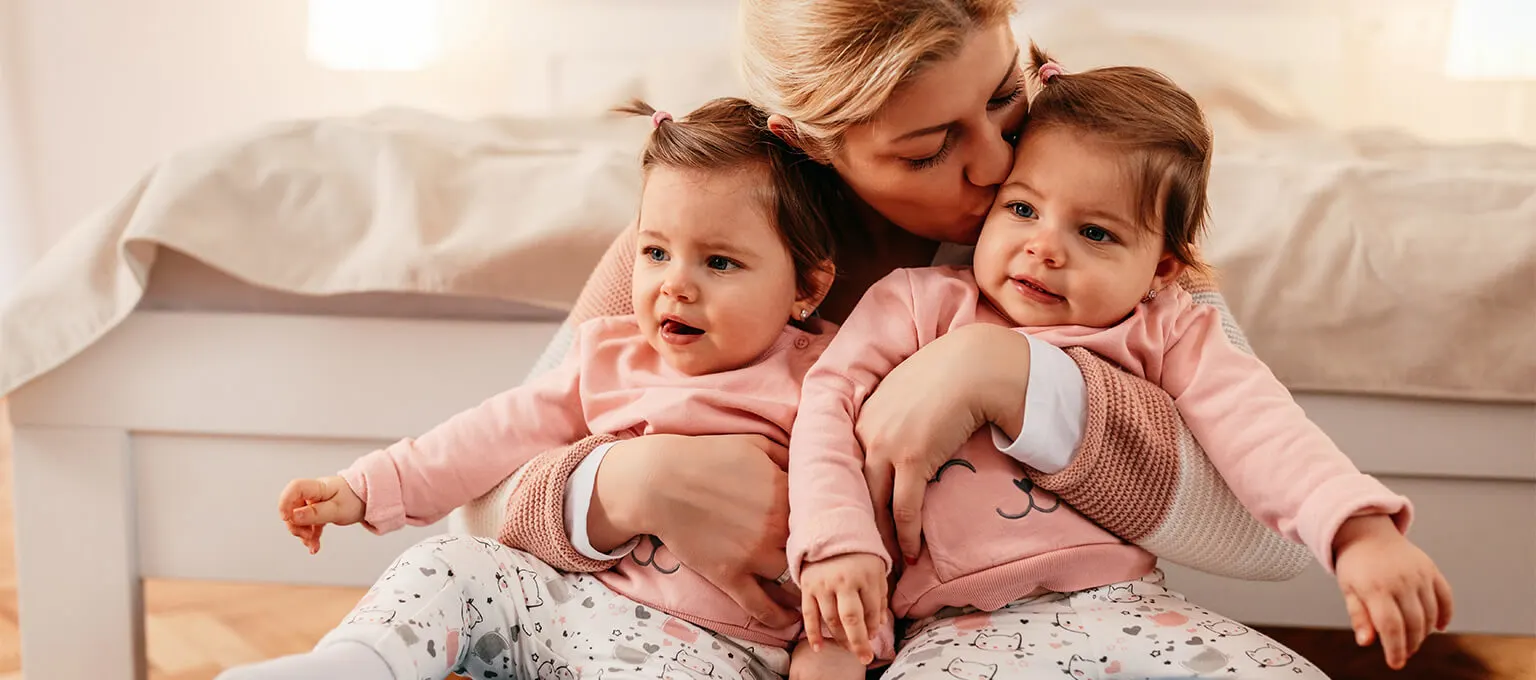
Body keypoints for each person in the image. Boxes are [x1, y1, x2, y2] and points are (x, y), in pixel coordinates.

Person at [789, 45, 1454, 678]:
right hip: (955, 626)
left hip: (1125, 603)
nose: (1044, 248)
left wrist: (1360, 532)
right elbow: (826, 408)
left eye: (1096, 233)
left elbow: (1262, 427)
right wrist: (837, 549)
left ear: (1161, 266)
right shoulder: (916, 302)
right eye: (1021, 208)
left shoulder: (1167, 325)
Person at [216, 97, 865, 680]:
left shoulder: (825, 378)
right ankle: (352, 665)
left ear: (807, 287)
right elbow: (490, 434)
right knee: (448, 565)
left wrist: (832, 649)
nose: (675, 285)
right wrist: (366, 488)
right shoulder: (612, 353)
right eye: (655, 252)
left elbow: (859, 524)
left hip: (713, 648)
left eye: (719, 262)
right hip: (562, 599)